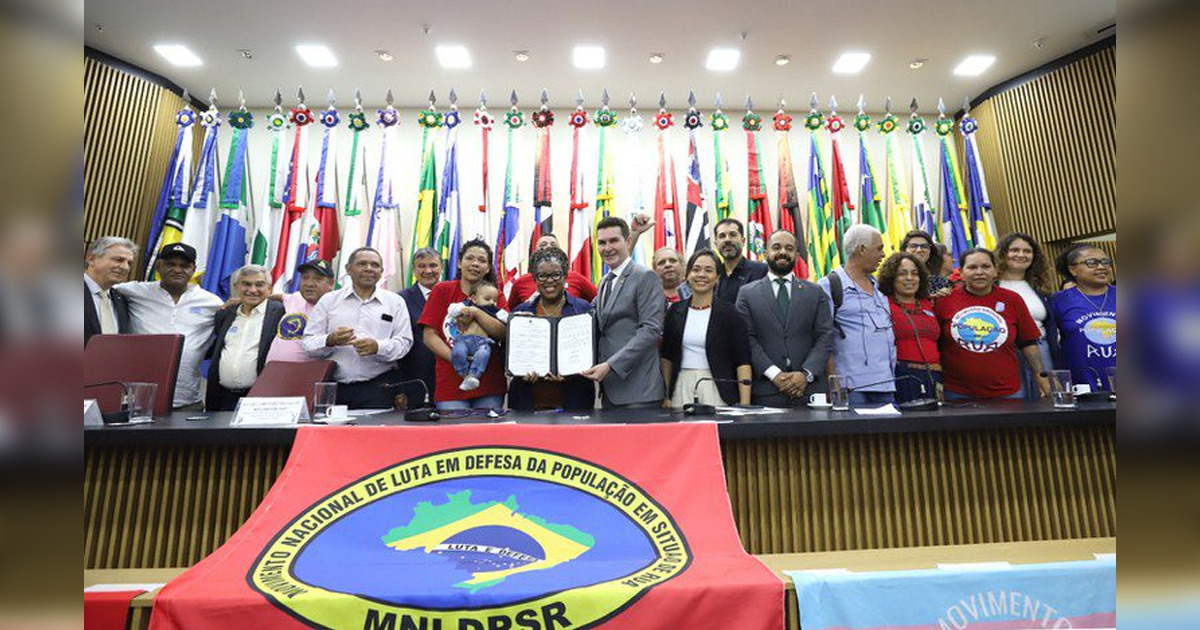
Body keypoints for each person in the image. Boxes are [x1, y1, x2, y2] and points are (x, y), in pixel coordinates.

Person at [302, 247, 413, 409]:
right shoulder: (328, 301)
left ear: (381, 271)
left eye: (375, 265)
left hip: (379, 386)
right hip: (334, 387)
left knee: (378, 426)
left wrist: (378, 347)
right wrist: (330, 340)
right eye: (362, 264)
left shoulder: (395, 302)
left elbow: (404, 343)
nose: (369, 269)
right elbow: (308, 344)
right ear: (348, 269)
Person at [117, 243, 224, 410]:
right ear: (158, 266)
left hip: (188, 402)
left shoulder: (212, 302)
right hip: (138, 402)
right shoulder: (133, 291)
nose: (177, 270)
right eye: (170, 264)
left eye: (184, 266)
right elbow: (97, 289)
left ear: (193, 269)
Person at [935, 248, 1051, 400]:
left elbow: (1028, 342)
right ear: (961, 272)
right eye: (972, 267)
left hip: (1008, 391)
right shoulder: (945, 300)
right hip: (956, 392)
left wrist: (1042, 377)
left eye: (986, 266)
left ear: (995, 271)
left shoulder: (1012, 299)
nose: (979, 272)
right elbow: (934, 342)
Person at [736, 231, 835, 407]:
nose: (782, 252)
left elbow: (825, 337)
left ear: (797, 255)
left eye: (789, 248)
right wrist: (775, 374)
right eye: (776, 247)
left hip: (810, 392)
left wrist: (805, 375)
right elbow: (746, 339)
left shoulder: (816, 292)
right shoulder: (747, 294)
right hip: (767, 392)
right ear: (765, 253)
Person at [582, 216, 665, 408]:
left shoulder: (645, 277)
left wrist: (610, 365)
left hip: (639, 393)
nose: (607, 248)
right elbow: (588, 316)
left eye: (614, 241)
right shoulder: (605, 281)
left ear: (628, 241)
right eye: (602, 242)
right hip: (610, 391)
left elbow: (650, 330)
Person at [419, 240, 509, 410]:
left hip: (489, 384)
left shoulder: (495, 295)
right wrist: (458, 358)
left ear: (488, 268)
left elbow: (504, 333)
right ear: (459, 263)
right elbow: (429, 336)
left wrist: (477, 312)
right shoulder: (442, 290)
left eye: (482, 260)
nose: (475, 264)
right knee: (454, 428)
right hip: (451, 385)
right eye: (470, 258)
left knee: (488, 428)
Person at [508, 247, 597, 411]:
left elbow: (596, 352)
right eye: (542, 275)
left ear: (565, 276)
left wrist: (574, 371)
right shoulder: (520, 313)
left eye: (556, 275)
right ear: (534, 278)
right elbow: (507, 356)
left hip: (575, 400)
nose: (549, 281)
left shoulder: (584, 310)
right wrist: (521, 370)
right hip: (528, 401)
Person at [661, 249, 752, 407]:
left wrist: (745, 405)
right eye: (696, 270)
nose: (701, 275)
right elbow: (666, 357)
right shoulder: (675, 311)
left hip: (718, 389)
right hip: (681, 387)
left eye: (709, 270)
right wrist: (666, 395)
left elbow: (742, 362)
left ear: (717, 278)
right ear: (687, 275)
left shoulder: (730, 314)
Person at [818, 225, 896, 406]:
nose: (883, 255)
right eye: (879, 249)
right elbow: (823, 338)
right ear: (862, 249)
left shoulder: (881, 287)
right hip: (851, 388)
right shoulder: (829, 285)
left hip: (886, 385)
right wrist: (833, 384)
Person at [204, 265, 285, 411]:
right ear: (236, 287)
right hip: (223, 399)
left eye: (259, 285)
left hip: (260, 400)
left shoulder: (281, 313)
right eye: (246, 284)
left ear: (269, 288)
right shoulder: (225, 314)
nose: (252, 290)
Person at [996, 232, 1061, 399]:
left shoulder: (1040, 288)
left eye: (1027, 251)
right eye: (1014, 250)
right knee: (1014, 401)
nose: (1021, 255)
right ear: (1003, 254)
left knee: (1048, 398)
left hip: (1041, 348)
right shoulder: (991, 285)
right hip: (1005, 351)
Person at [877, 253, 943, 404]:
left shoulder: (929, 303)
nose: (909, 278)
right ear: (891, 278)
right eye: (902, 273)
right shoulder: (882, 304)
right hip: (903, 376)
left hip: (935, 376)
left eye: (914, 273)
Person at [1052, 244, 1116, 391]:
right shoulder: (1058, 301)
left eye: (1105, 262)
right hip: (1082, 386)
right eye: (1092, 263)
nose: (1101, 267)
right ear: (1073, 269)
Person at [263, 260, 336, 362]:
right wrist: (242, 300)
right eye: (305, 278)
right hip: (272, 368)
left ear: (331, 284)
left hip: (305, 371)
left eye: (317, 279)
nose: (309, 284)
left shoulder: (335, 309)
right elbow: (277, 297)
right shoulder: (296, 298)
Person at [397, 248, 442, 407]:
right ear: (414, 270)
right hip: (414, 381)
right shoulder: (400, 299)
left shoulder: (453, 295)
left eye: (433, 265)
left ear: (441, 267)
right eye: (422, 266)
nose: (428, 271)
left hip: (448, 378)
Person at [507, 234, 597, 306]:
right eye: (543, 244)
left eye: (553, 245)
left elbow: (597, 301)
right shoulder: (521, 282)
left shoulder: (576, 278)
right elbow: (512, 312)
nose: (548, 247)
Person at [446, 281, 503, 391]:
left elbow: (507, 318)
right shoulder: (467, 304)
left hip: (483, 341)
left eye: (495, 300)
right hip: (463, 340)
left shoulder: (495, 310)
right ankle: (464, 374)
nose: (492, 303)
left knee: (483, 354)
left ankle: (474, 376)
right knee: (457, 352)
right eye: (487, 299)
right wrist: (460, 310)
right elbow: (451, 309)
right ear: (474, 298)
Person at [84, 236, 136, 344]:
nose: (125, 267)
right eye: (118, 260)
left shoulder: (122, 300)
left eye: (129, 263)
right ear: (92, 259)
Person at [713, 218, 768, 303]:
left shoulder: (761, 271)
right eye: (722, 236)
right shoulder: (714, 274)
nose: (727, 240)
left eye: (733, 235)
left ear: (743, 241)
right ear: (716, 244)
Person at [900, 230, 952, 298]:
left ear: (930, 251)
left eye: (924, 246)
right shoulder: (894, 274)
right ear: (904, 249)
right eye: (913, 246)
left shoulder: (939, 282)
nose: (919, 250)